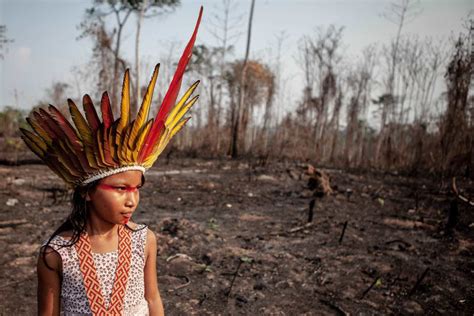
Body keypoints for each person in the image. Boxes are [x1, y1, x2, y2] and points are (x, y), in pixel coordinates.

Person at [21, 7, 203, 315]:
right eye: (120, 188)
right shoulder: (56, 254)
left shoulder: (144, 240)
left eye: (136, 189)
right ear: (87, 191)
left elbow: (153, 299)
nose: (131, 200)